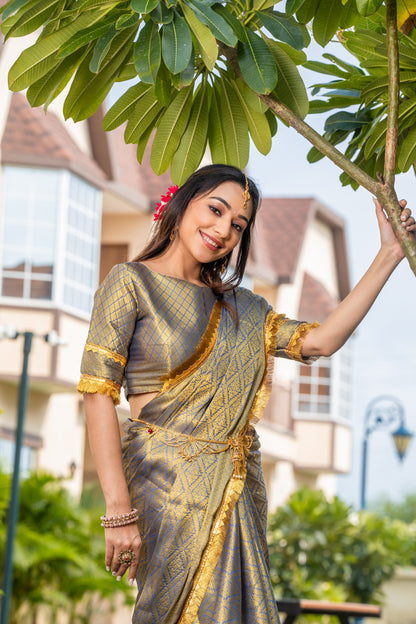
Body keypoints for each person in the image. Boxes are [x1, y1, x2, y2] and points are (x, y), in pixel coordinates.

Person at [77, 164, 415, 624]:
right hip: (165, 491)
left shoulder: (243, 310)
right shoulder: (130, 283)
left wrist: (389, 254)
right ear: (181, 204)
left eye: (237, 225)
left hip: (235, 490)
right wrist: (118, 512)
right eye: (216, 210)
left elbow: (318, 341)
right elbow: (98, 393)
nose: (223, 230)